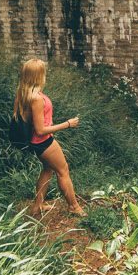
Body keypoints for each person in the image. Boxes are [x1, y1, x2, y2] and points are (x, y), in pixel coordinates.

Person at [12, 58, 85, 217]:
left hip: (35, 142)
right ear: (38, 75)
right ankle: (74, 206)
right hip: (43, 142)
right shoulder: (36, 98)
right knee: (63, 170)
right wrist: (67, 124)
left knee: (48, 169)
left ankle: (38, 206)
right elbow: (40, 130)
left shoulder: (23, 92)